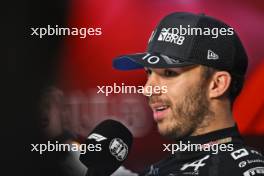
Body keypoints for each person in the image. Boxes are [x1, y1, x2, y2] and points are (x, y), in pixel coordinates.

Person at [113, 12, 264, 176]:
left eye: (169, 73)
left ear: (217, 84)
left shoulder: (242, 169)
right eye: (149, 73)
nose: (148, 89)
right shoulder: (160, 169)